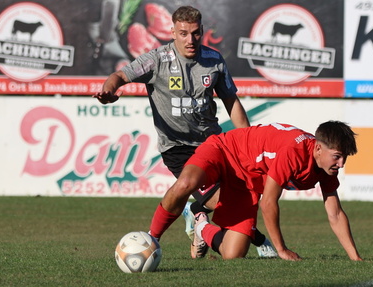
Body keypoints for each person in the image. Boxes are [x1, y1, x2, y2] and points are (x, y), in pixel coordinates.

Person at [92, 5, 276, 258]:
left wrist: (249, 142)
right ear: (173, 32)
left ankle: (199, 219)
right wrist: (109, 91)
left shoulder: (214, 60)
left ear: (201, 31)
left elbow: (231, 102)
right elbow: (119, 76)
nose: (190, 40)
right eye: (183, 33)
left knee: (244, 196)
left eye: (195, 33)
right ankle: (176, 230)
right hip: (177, 146)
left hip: (213, 144)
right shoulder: (156, 60)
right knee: (220, 201)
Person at [148, 121, 363, 261]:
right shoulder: (294, 152)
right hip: (223, 150)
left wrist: (355, 259)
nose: (342, 164)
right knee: (186, 182)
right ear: (318, 148)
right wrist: (281, 250)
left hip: (245, 182)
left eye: (344, 158)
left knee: (233, 254)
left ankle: (201, 225)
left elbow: (334, 212)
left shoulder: (327, 167)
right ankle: (150, 240)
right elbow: (268, 203)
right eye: (337, 156)